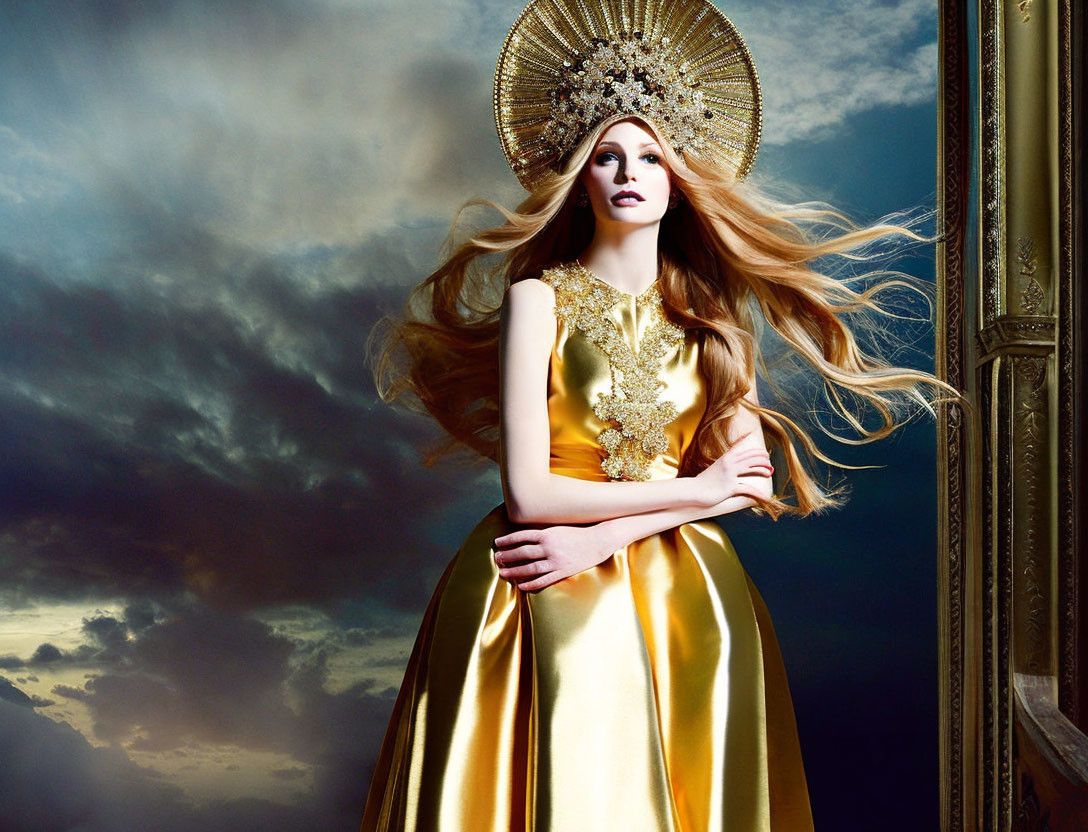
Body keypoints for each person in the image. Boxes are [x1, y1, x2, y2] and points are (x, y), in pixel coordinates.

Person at [361, 1, 954, 828]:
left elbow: (746, 482)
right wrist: (698, 493)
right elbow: (532, 498)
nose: (629, 172)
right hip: (534, 583)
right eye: (607, 156)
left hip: (690, 599)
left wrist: (611, 534)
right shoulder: (539, 300)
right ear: (580, 179)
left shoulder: (713, 319)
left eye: (650, 156)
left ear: (678, 180)